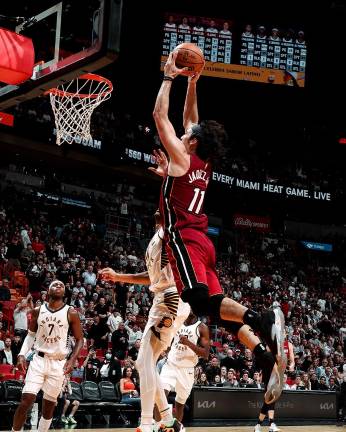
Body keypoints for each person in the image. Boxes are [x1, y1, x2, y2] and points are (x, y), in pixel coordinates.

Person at [152, 52, 286, 403]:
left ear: (193, 141)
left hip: (184, 238)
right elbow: (190, 118)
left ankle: (263, 318)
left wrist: (169, 77)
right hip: (204, 240)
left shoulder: (182, 157)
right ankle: (262, 354)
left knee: (197, 300)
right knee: (215, 307)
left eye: (190, 133)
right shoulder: (199, 159)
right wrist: (193, 83)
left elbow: (160, 115)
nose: (187, 131)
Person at [99, 209, 190, 432]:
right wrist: (118, 276)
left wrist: (169, 176)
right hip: (162, 298)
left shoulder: (170, 232)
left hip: (171, 297)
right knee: (143, 363)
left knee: (145, 360)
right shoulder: (155, 238)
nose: (159, 207)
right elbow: (151, 277)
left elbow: (171, 199)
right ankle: (167, 418)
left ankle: (147, 423)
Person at [11, 280, 83, 432]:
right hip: (38, 360)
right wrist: (22, 354)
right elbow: (30, 335)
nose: (58, 286)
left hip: (58, 363)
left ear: (64, 293)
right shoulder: (38, 310)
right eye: (55, 285)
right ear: (47, 292)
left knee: (48, 407)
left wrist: (72, 360)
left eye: (61, 285)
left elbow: (80, 339)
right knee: (26, 401)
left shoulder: (71, 312)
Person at [160, 310, 209, 422]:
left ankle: (176, 426)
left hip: (187, 369)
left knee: (180, 403)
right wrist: (166, 349)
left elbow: (205, 354)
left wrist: (188, 343)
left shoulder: (201, 327)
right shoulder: (176, 321)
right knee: (161, 394)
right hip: (171, 364)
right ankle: (158, 425)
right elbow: (167, 337)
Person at [254, 338, 295, 432]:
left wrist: (291, 366)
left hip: (276, 373)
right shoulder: (271, 346)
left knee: (268, 401)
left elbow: (290, 360)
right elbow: (270, 358)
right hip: (270, 373)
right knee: (271, 398)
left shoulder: (287, 345)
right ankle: (271, 424)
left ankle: (258, 425)